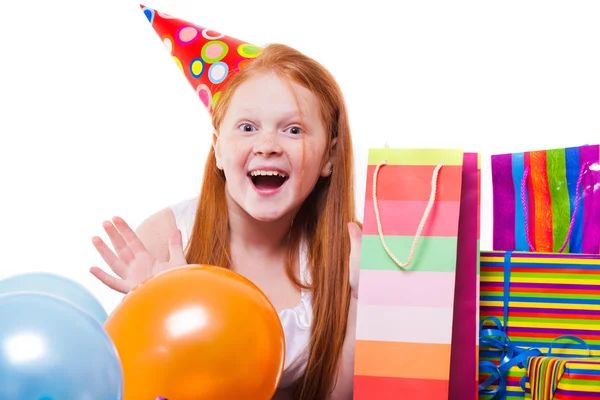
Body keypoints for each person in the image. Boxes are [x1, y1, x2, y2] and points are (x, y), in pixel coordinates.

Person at [90, 6, 362, 400]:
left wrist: (360, 298)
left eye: (294, 129)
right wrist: (156, 307)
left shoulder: (343, 253)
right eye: (247, 127)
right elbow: (116, 384)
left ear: (330, 158)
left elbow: (335, 395)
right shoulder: (169, 236)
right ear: (218, 149)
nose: (267, 145)